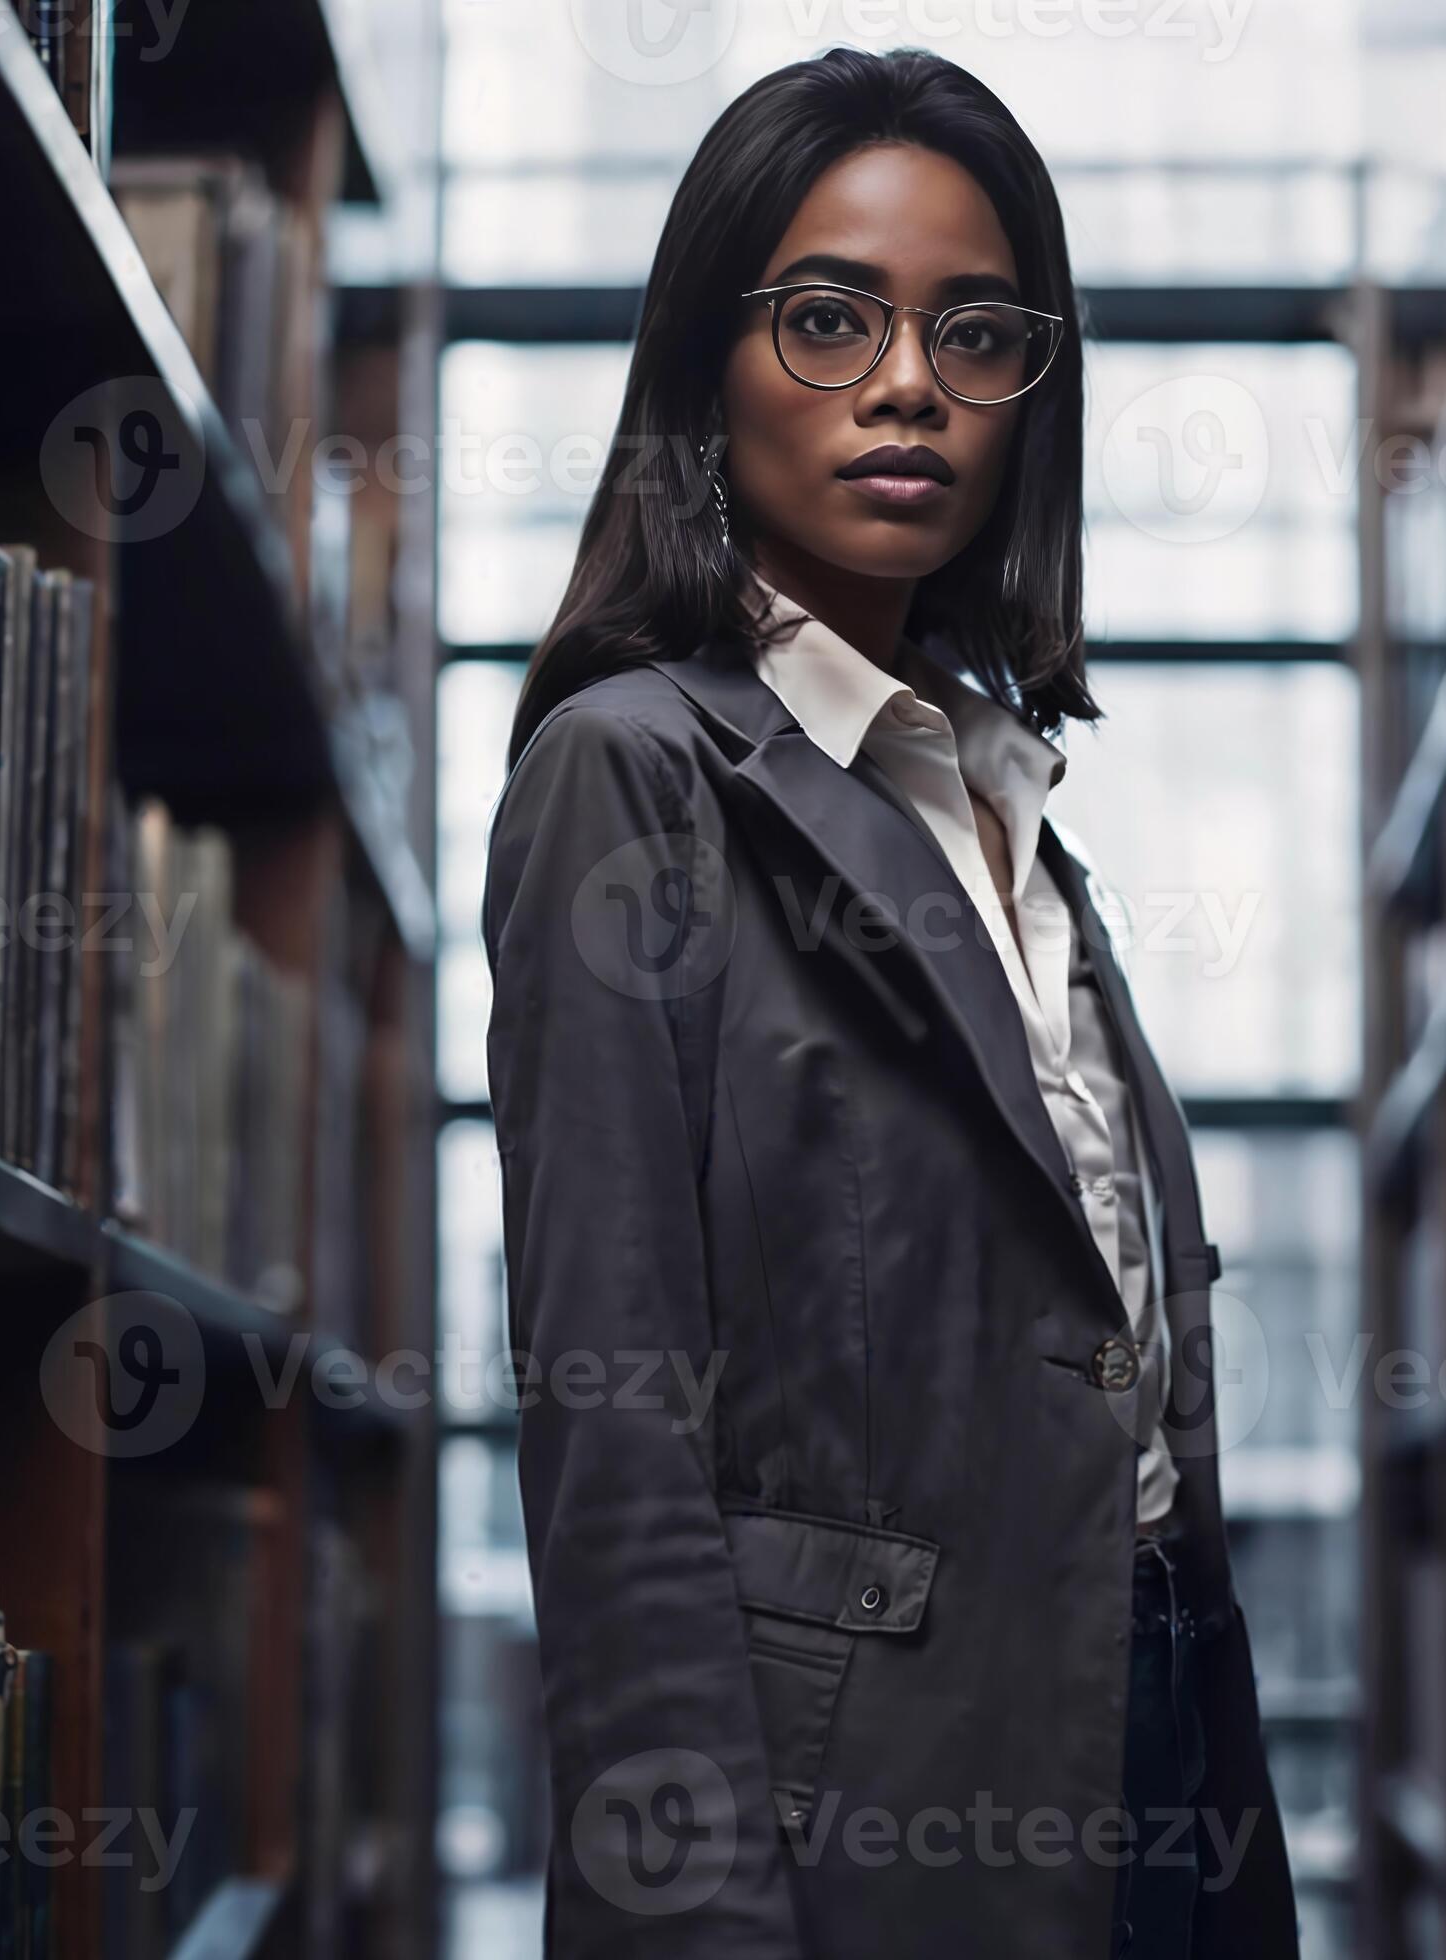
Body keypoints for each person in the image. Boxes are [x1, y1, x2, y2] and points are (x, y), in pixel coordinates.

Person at [481, 44, 1299, 1959]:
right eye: (830, 320)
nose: (909, 384)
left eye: (978, 332)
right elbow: (614, 1449)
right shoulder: (634, 774)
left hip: (1159, 1731)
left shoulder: (997, 799)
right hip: (862, 1806)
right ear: (706, 365)